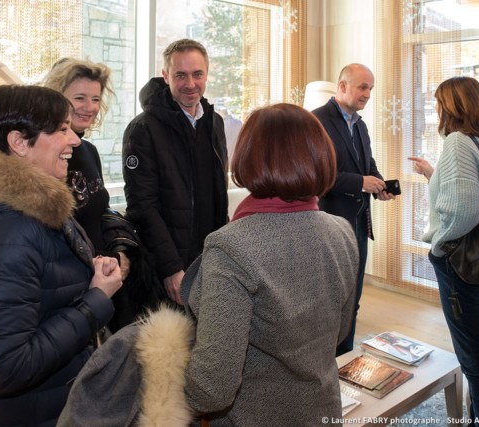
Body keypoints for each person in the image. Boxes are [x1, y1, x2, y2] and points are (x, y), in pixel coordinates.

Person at [56, 103, 359, 427]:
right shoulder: (341, 232)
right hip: (321, 412)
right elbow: (337, 331)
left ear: (250, 157)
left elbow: (211, 390)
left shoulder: (231, 247)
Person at [0, 84, 123, 426]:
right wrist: (95, 300)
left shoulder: (33, 210)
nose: (74, 140)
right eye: (61, 129)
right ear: (19, 142)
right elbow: (3, 369)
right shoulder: (12, 230)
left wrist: (86, 278)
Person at [409, 76, 479, 426]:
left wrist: (438, 246)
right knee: (478, 349)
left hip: (460, 262)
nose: (436, 109)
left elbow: (463, 211)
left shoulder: (456, 142)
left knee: (476, 361)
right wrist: (433, 174)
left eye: (438, 102)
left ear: (452, 105)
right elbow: (478, 196)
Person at [43, 58, 166, 332]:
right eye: (79, 98)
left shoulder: (88, 152)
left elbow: (100, 215)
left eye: (96, 98)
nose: (90, 107)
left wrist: (118, 252)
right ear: (55, 98)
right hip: (71, 290)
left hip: (106, 280)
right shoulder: (44, 158)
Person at [122, 38, 228, 305]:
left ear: (207, 74)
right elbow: (142, 206)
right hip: (167, 269)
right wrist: (170, 268)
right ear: (166, 75)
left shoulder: (214, 123)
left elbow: (218, 195)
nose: (190, 84)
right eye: (180, 75)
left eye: (197, 74)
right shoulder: (143, 129)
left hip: (208, 260)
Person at [312, 63, 395, 355]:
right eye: (363, 87)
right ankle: (323, 362)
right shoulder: (316, 122)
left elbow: (367, 165)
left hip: (360, 223)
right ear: (343, 86)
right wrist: (361, 182)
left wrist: (379, 183)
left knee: (353, 299)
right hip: (330, 224)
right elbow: (318, 175)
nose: (368, 94)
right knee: (330, 299)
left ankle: (344, 358)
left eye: (371, 88)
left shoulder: (360, 124)